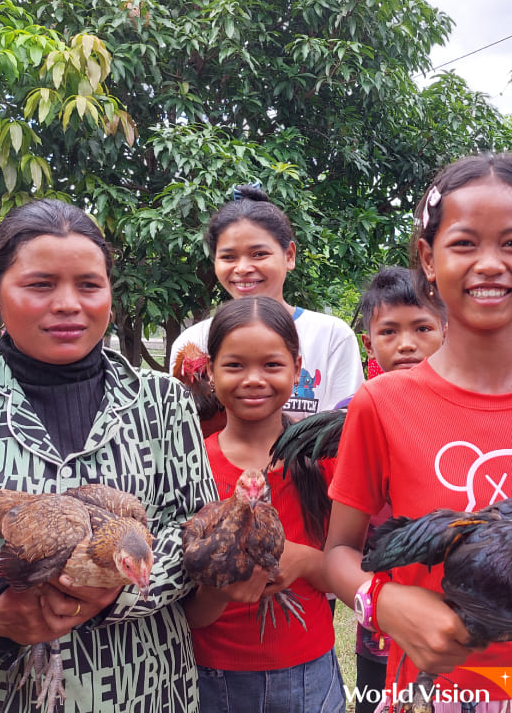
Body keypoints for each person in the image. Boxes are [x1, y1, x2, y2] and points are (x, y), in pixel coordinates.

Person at [324, 152, 512, 712]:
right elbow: (339, 552)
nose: (488, 264)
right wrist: (383, 601)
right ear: (428, 258)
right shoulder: (382, 403)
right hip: (441, 689)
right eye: (464, 243)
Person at [0, 199, 215, 712]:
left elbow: (201, 535)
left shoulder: (164, 403)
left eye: (88, 284)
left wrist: (110, 586)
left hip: (142, 688)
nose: (67, 304)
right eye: (40, 285)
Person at [182, 296, 343, 712]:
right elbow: (188, 612)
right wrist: (220, 592)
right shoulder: (191, 465)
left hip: (308, 668)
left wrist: (305, 561)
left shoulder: (325, 459)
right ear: (211, 374)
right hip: (213, 675)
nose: (254, 379)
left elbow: (351, 572)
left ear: (297, 369)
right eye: (234, 365)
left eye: (271, 365)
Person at [169, 185, 364, 420]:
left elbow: (343, 428)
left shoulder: (331, 336)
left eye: (259, 254)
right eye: (228, 257)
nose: (242, 268)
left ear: (289, 256)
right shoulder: (193, 340)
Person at [349, 266, 445, 712]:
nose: (406, 343)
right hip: (382, 626)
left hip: (463, 623)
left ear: (446, 328)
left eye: (422, 327)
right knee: (379, 699)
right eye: (389, 331)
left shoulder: (469, 409)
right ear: (369, 341)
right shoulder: (351, 415)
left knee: (478, 692)